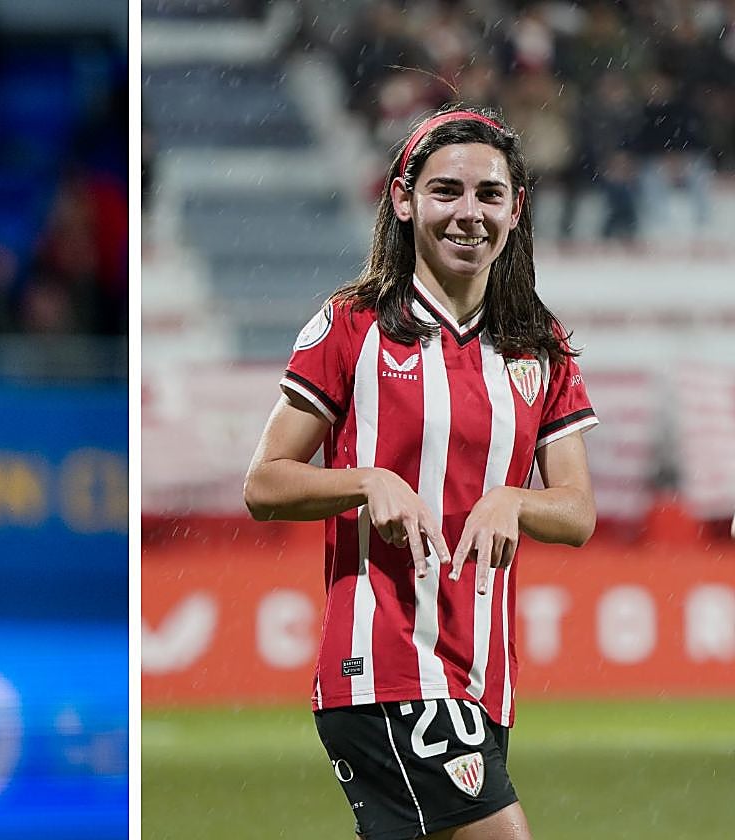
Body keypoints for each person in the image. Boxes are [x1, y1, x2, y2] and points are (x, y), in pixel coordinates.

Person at [243, 107, 599, 840]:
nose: (468, 214)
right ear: (404, 201)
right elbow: (265, 483)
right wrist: (367, 481)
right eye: (446, 192)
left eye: (489, 195)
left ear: (516, 207)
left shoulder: (540, 343)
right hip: (384, 663)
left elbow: (577, 512)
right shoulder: (353, 324)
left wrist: (512, 501)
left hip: (484, 677)